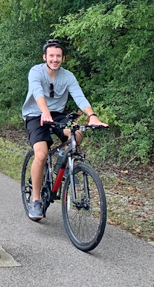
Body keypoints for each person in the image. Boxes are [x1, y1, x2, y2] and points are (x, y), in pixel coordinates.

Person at [22, 39, 107, 221]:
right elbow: (37, 92)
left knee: (76, 134)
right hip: (36, 114)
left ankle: (61, 166)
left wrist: (92, 115)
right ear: (45, 57)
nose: (54, 59)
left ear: (63, 58)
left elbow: (79, 97)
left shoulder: (68, 76)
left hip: (58, 114)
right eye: (51, 56)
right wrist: (44, 111)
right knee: (41, 154)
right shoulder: (36, 72)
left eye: (58, 56)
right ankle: (36, 200)